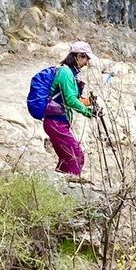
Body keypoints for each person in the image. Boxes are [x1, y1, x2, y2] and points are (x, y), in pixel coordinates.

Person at [42, 42, 98, 180]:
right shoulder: (65, 73)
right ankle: (71, 186)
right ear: (79, 56)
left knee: (66, 159)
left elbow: (72, 98)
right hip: (56, 123)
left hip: (56, 122)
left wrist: (88, 102)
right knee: (76, 156)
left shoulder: (68, 73)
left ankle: (58, 186)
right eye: (86, 59)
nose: (86, 63)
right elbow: (70, 100)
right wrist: (87, 112)